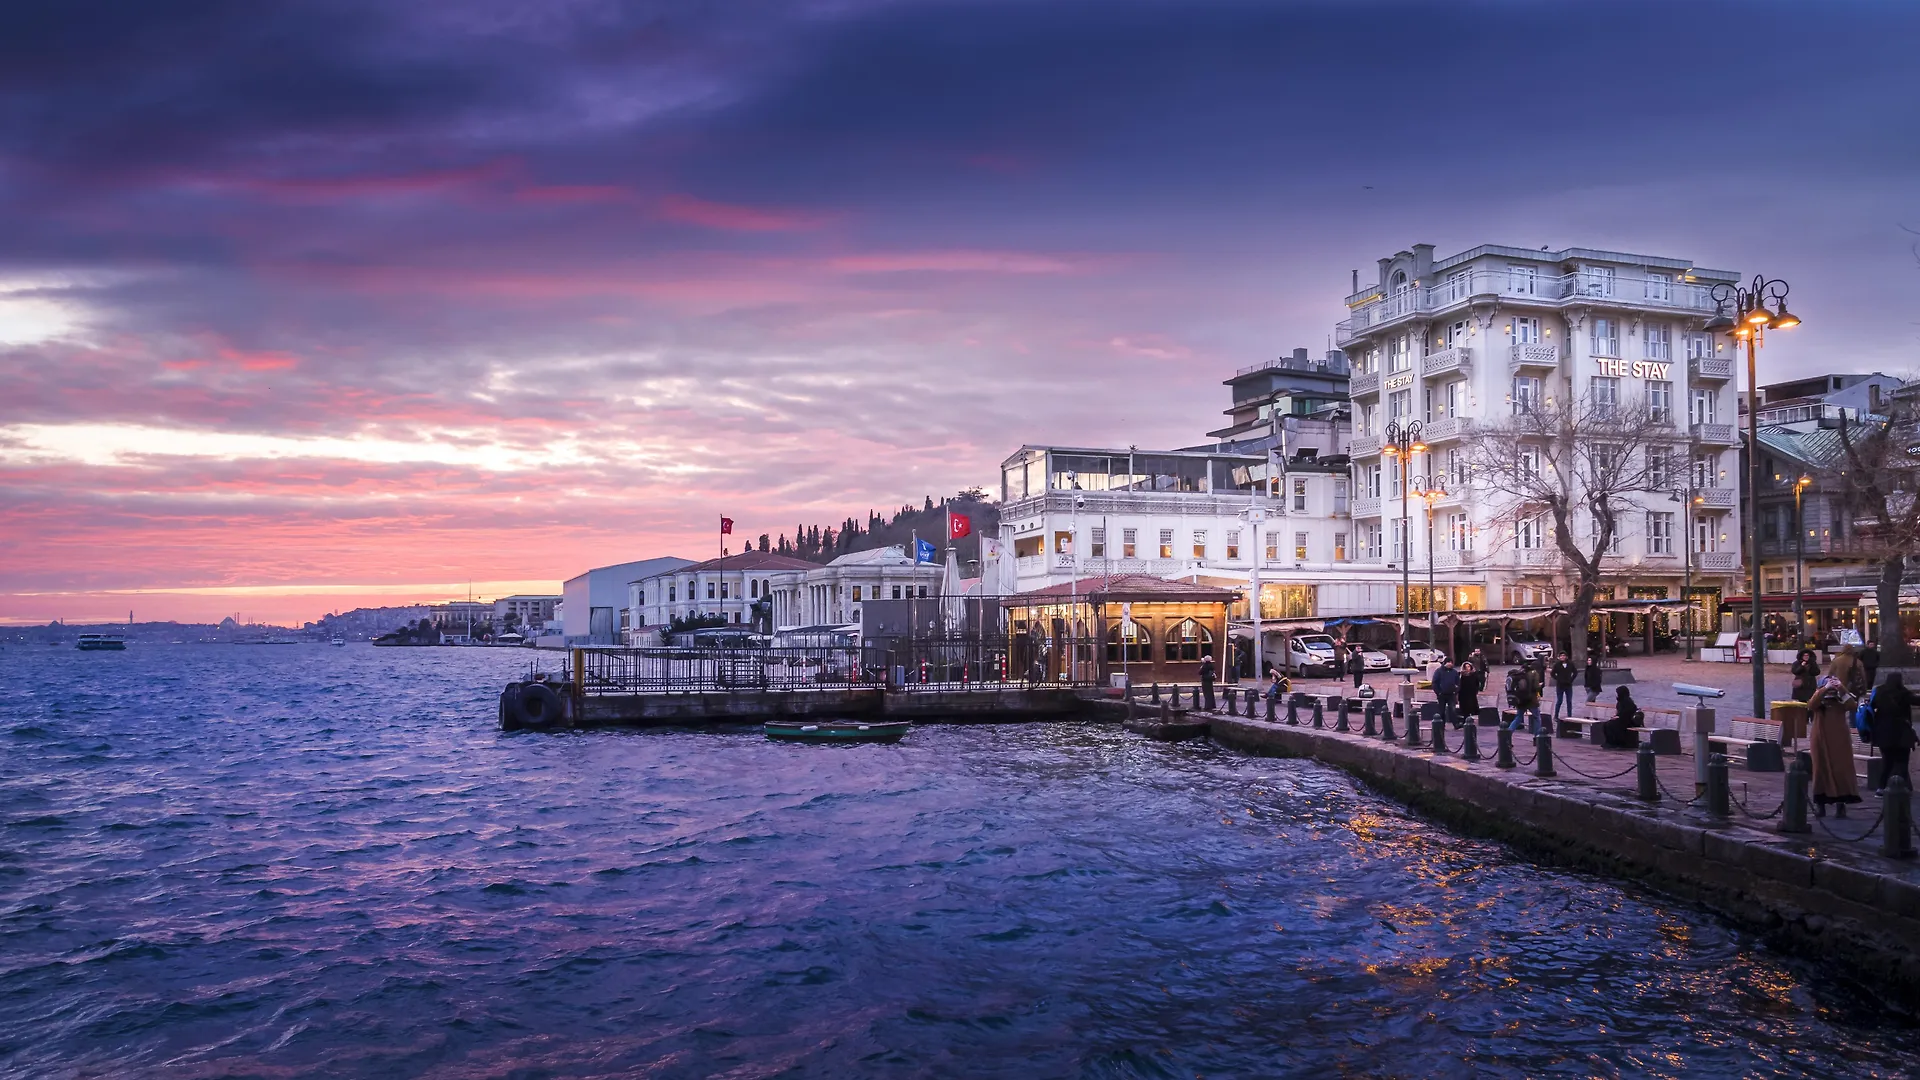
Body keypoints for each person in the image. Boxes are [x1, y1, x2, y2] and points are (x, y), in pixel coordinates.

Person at [1806, 674, 1863, 816]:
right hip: (1820, 738)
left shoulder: (1841, 701)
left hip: (1839, 739)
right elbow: (1811, 705)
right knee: (1820, 770)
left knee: (1841, 770)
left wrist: (1841, 689)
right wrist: (1825, 688)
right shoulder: (1819, 700)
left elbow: (1852, 705)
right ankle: (1821, 804)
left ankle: (1841, 804)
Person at [1864, 672, 1915, 794]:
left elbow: (1872, 704)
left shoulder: (1880, 691)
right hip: (1902, 732)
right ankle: (1903, 788)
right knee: (1902, 761)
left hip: (1883, 733)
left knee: (1887, 762)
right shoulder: (1904, 693)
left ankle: (1881, 788)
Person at [1603, 685, 1641, 749]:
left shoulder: (1628, 701)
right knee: (1606, 724)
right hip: (1622, 719)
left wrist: (1618, 717)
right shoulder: (1620, 701)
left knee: (1612, 725)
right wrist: (1616, 716)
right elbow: (1619, 712)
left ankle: (1619, 743)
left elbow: (1627, 713)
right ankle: (1610, 742)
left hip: (1628, 721)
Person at [1505, 665, 1540, 732]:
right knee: (1537, 717)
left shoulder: (1518, 674)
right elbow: (1536, 687)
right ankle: (1538, 736)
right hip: (1531, 700)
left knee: (1518, 717)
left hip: (1520, 700)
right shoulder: (1533, 673)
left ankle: (1508, 733)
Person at [1431, 658, 1460, 729]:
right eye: (1448, 662)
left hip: (1451, 694)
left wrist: (1456, 691)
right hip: (1442, 695)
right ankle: (1442, 725)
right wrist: (1438, 692)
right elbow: (1435, 683)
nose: (1450, 664)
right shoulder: (1438, 671)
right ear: (1445, 663)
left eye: (1451, 662)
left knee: (1453, 709)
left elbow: (1458, 682)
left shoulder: (1454, 672)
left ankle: (1456, 724)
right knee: (1441, 710)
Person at [1550, 653, 1576, 720]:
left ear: (1566, 657)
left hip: (1568, 685)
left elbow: (1575, 672)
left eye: (1564, 655)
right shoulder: (1557, 664)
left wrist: (1571, 679)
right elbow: (1552, 673)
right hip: (1560, 685)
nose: (1562, 657)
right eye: (1561, 656)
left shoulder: (1570, 664)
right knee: (1559, 701)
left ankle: (1569, 716)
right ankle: (1556, 716)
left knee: (1569, 701)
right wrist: (1558, 679)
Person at [1457, 661, 1482, 725]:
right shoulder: (1461, 674)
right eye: (1466, 667)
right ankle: (1465, 718)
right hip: (1463, 693)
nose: (1467, 668)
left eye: (1468, 666)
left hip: (1471, 693)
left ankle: (1469, 717)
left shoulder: (1474, 674)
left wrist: (1476, 690)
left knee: (1471, 705)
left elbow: (1477, 683)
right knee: (1464, 706)